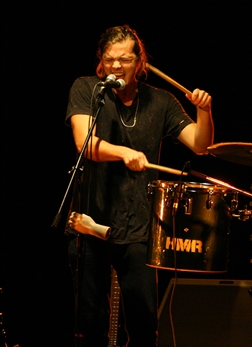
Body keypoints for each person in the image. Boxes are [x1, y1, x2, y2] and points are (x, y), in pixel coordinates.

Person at [64, 25, 214, 347]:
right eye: (109, 60)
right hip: (91, 221)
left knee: (144, 326)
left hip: (139, 228)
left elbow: (200, 145)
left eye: (125, 60)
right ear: (101, 63)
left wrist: (204, 111)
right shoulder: (87, 89)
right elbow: (84, 143)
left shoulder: (161, 101)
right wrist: (124, 153)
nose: (116, 66)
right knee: (90, 325)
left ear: (139, 64)